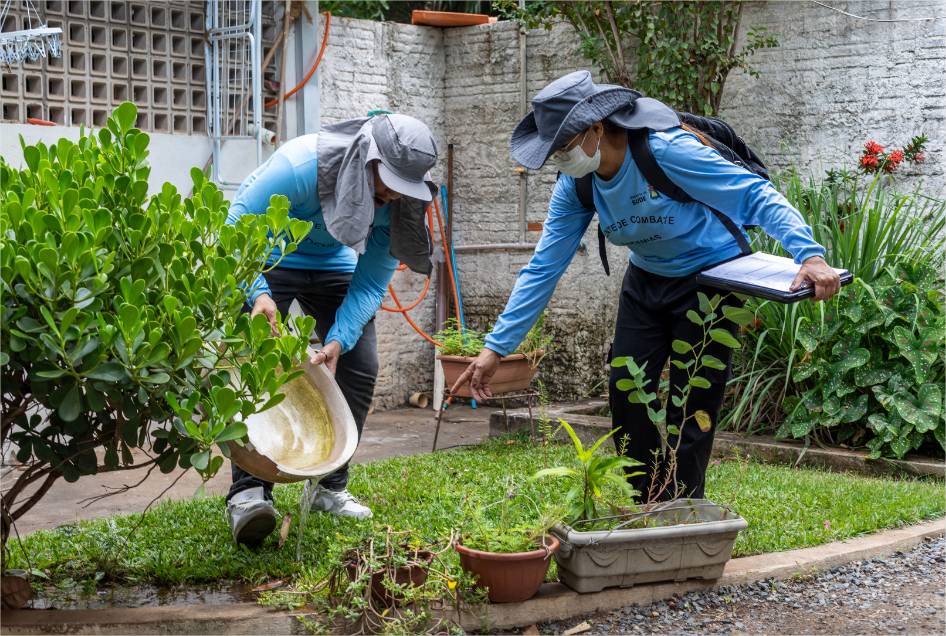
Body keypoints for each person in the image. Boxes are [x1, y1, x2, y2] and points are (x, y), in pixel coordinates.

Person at [452, 70, 840, 502]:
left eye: (563, 147)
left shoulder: (666, 150)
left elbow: (754, 194)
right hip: (647, 279)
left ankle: (685, 508)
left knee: (692, 403)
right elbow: (543, 267)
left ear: (597, 128)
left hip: (710, 279)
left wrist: (810, 255)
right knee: (626, 392)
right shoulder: (577, 185)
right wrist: (495, 349)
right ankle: (647, 502)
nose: (560, 160)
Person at [226, 114, 438, 545]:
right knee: (253, 358)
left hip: (332, 267)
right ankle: (248, 493)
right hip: (268, 259)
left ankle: (329, 487)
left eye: (401, 189)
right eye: (386, 183)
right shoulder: (300, 167)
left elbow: (372, 280)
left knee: (361, 363)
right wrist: (257, 294)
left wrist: (341, 337)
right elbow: (236, 227)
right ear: (368, 159)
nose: (391, 196)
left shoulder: (397, 202)